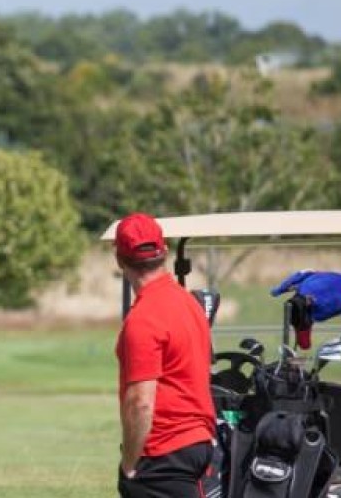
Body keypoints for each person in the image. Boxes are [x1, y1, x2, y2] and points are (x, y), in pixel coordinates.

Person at [112, 212, 216, 498]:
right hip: (197, 443)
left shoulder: (143, 319)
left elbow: (141, 403)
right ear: (165, 252)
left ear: (120, 260)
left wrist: (130, 464)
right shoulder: (189, 304)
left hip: (163, 452)